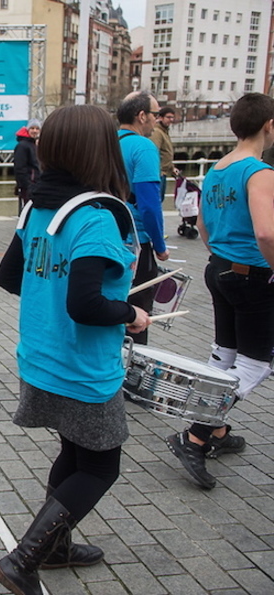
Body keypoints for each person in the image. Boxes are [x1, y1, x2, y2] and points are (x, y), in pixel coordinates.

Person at [0, 104, 150, 595]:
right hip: (84, 368)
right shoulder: (97, 218)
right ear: (102, 150)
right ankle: (24, 558)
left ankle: (55, 548)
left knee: (75, 452)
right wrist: (131, 314)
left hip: (40, 357)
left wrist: (48, 292)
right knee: (102, 465)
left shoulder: (38, 207)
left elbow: (7, 277)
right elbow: (86, 305)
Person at [166, 93, 274, 490]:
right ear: (269, 126)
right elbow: (266, 232)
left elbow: (205, 227)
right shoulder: (260, 173)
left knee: (224, 355)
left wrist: (221, 259)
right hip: (252, 275)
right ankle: (194, 435)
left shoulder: (214, 171)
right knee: (254, 365)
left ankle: (218, 431)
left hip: (219, 269)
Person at [117, 91, 169, 345]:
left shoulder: (106, 142)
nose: (156, 120)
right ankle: (131, 374)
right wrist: (160, 246)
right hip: (135, 241)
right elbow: (149, 205)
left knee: (112, 305)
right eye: (155, 114)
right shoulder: (143, 147)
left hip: (104, 234)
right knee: (138, 315)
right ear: (141, 116)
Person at [150, 106, 178, 201]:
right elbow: (154, 152)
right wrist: (158, 171)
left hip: (164, 172)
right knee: (157, 200)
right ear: (160, 118)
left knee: (159, 199)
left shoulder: (164, 132)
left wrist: (171, 168)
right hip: (159, 173)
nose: (171, 120)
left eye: (172, 117)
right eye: (168, 117)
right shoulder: (157, 132)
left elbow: (165, 153)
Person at [13, 119, 41, 212]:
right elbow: (20, 167)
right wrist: (26, 184)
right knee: (28, 209)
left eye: (37, 128)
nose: (35, 131)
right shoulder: (23, 146)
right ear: (28, 130)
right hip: (29, 184)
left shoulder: (32, 145)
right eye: (32, 128)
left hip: (34, 183)